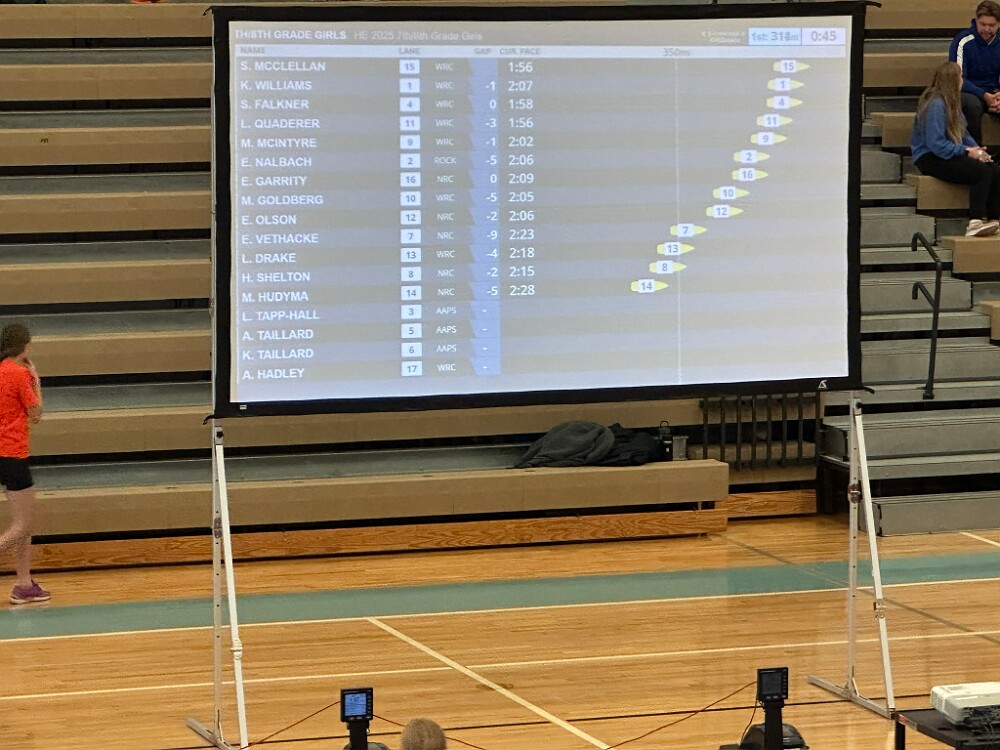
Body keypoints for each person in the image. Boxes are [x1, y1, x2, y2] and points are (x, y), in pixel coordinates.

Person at [911, 61, 1000, 237]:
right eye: (960, 77)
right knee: (981, 172)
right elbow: (936, 144)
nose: (962, 80)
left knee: (994, 169)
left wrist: (979, 151)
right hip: (929, 156)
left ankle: (993, 220)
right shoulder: (935, 104)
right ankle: (975, 221)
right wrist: (966, 152)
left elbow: (963, 133)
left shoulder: (952, 103)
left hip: (946, 152)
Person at [0, 323, 49, 605]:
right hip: (13, 453)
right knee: (23, 523)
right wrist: (36, 382)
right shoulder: (20, 374)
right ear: (25, 346)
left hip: (2, 454)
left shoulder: (1, 370)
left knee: (24, 524)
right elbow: (36, 415)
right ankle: (23, 584)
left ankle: (24, 584)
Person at [949, 1, 1000, 146]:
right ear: (976, 21)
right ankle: (975, 151)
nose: (987, 29)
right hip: (970, 91)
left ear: (998, 24)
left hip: (995, 91)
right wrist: (984, 95)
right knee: (971, 105)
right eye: (983, 24)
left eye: (991, 25)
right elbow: (957, 79)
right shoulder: (963, 41)